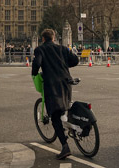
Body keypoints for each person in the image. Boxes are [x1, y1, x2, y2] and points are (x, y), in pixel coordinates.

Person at [31, 28, 79, 160]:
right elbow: (75, 60)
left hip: (52, 85)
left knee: (55, 116)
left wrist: (34, 72)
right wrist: (63, 64)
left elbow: (37, 63)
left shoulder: (40, 49)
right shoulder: (62, 49)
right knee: (66, 106)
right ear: (54, 38)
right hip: (66, 82)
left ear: (43, 39)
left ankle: (65, 146)